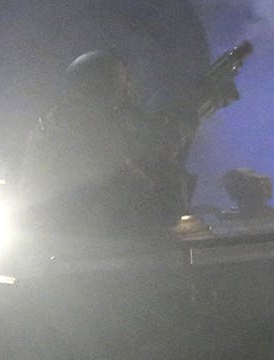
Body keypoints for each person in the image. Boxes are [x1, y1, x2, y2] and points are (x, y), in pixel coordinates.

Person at [17, 48, 243, 241]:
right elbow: (162, 211)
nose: (128, 102)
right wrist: (165, 156)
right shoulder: (83, 142)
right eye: (122, 93)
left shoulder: (55, 126)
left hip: (67, 254)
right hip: (99, 263)